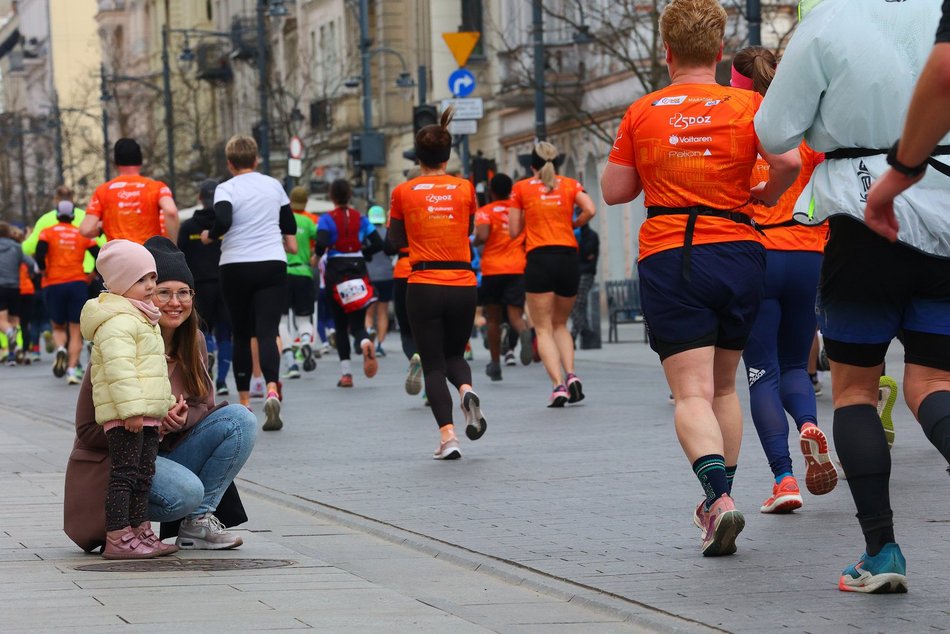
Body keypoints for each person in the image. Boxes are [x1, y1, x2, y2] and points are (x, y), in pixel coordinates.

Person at [756, 0, 949, 593]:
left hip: (863, 212)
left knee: (857, 390)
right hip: (944, 206)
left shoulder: (827, 23)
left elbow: (773, 130)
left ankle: (881, 552)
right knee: (934, 384)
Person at [601, 0, 800, 557]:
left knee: (689, 392)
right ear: (717, 52)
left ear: (666, 53)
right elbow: (786, 164)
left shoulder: (643, 111)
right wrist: (764, 194)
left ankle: (719, 501)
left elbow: (615, 192)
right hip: (739, 248)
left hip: (671, 254)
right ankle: (723, 500)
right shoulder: (747, 104)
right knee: (724, 386)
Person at [65, 236, 255, 553]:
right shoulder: (118, 335)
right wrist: (139, 419)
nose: (174, 302)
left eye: (184, 293)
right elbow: (87, 430)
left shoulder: (193, 340)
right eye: (162, 291)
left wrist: (177, 420)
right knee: (186, 491)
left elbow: (203, 410)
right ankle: (124, 531)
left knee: (240, 419)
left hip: (162, 450)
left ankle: (196, 525)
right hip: (119, 458)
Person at [731, 47, 838, 514]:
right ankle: (810, 425)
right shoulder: (803, 128)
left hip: (757, 255)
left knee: (761, 372)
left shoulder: (736, 125)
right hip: (807, 254)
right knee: (796, 365)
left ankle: (784, 478)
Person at [388, 107, 487, 459]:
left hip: (424, 281)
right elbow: (470, 231)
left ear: (419, 156)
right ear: (448, 155)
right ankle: (466, 392)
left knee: (432, 364)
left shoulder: (403, 192)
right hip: (462, 280)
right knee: (455, 355)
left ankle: (448, 437)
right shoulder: (465, 189)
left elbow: (393, 240)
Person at [77, 239, 177, 558]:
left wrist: (161, 406)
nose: (150, 286)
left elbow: (150, 369)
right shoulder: (118, 321)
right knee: (125, 474)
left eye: (152, 277)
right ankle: (119, 536)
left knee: (144, 474)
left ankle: (140, 530)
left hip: (145, 414)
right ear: (120, 284)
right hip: (125, 416)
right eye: (140, 280)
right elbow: (120, 371)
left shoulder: (142, 317)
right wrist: (133, 410)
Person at [204, 135, 297, 430]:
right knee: (267, 332)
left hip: (235, 265)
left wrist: (212, 234)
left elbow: (224, 219)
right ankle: (271, 388)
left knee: (241, 333)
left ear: (230, 163)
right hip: (272, 262)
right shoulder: (273, 185)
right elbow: (290, 225)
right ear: (256, 160)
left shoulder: (226, 187)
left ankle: (244, 401)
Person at [509, 142, 596, 407]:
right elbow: (590, 209)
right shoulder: (570, 185)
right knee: (561, 324)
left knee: (543, 328)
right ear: (556, 163)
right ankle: (571, 375)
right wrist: (573, 223)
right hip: (568, 258)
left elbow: (513, 231)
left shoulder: (521, 188)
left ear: (531, 165)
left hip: (539, 259)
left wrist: (529, 218)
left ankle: (558, 386)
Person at [315, 179, 382, 388]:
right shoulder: (361, 219)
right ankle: (364, 341)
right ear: (350, 195)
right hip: (358, 269)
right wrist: (364, 253)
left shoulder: (326, 219)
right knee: (357, 322)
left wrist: (319, 254)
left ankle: (346, 375)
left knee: (340, 325)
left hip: (336, 271)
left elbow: (322, 244)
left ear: (332, 197)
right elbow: (379, 243)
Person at [35, 201, 100, 384]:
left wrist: (42, 270)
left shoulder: (47, 232)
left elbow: (40, 254)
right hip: (77, 283)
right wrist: (92, 275)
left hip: (53, 283)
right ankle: (72, 370)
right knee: (75, 328)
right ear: (72, 216)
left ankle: (61, 348)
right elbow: (98, 253)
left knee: (57, 326)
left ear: (57, 215)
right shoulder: (80, 234)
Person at [474, 173, 531, 381]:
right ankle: (523, 331)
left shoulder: (485, 211)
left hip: (493, 269)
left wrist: (475, 242)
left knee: (493, 320)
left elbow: (483, 235)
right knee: (515, 315)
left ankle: (495, 364)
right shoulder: (519, 212)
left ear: (492, 191)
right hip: (517, 268)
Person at [178, 179, 232, 395]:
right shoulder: (227, 225)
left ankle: (206, 365)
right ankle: (222, 382)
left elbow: (180, 257)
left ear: (200, 199)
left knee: (202, 331)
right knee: (226, 334)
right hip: (225, 283)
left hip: (198, 286)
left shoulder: (189, 227)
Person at [80, 139, 180, 244]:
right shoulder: (156, 187)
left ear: (116, 162)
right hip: (148, 253)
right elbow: (171, 211)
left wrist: (102, 227)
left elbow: (86, 229)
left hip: (117, 255)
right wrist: (172, 246)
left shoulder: (103, 190)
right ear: (140, 160)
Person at [278, 186, 319, 379]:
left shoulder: (282, 220)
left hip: (284, 272)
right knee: (304, 318)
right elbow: (322, 239)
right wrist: (315, 257)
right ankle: (305, 342)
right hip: (304, 271)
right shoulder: (310, 221)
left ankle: (290, 361)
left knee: (282, 320)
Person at [0, 222, 34, 363]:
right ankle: (17, 349)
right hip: (15, 287)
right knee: (15, 320)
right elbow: (31, 263)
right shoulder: (17, 247)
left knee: (2, 320)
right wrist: (31, 274)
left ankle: (9, 333)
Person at [364, 204, 395, 358]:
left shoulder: (366, 234)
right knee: (383, 312)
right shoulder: (388, 234)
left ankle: (370, 331)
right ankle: (380, 345)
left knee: (369, 311)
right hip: (387, 275)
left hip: (369, 276)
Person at [570, 221, 600, 349]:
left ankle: (573, 336)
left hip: (586, 274)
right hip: (573, 274)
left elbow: (588, 256)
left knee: (578, 304)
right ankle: (586, 332)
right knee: (574, 306)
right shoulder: (571, 235)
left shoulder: (591, 236)